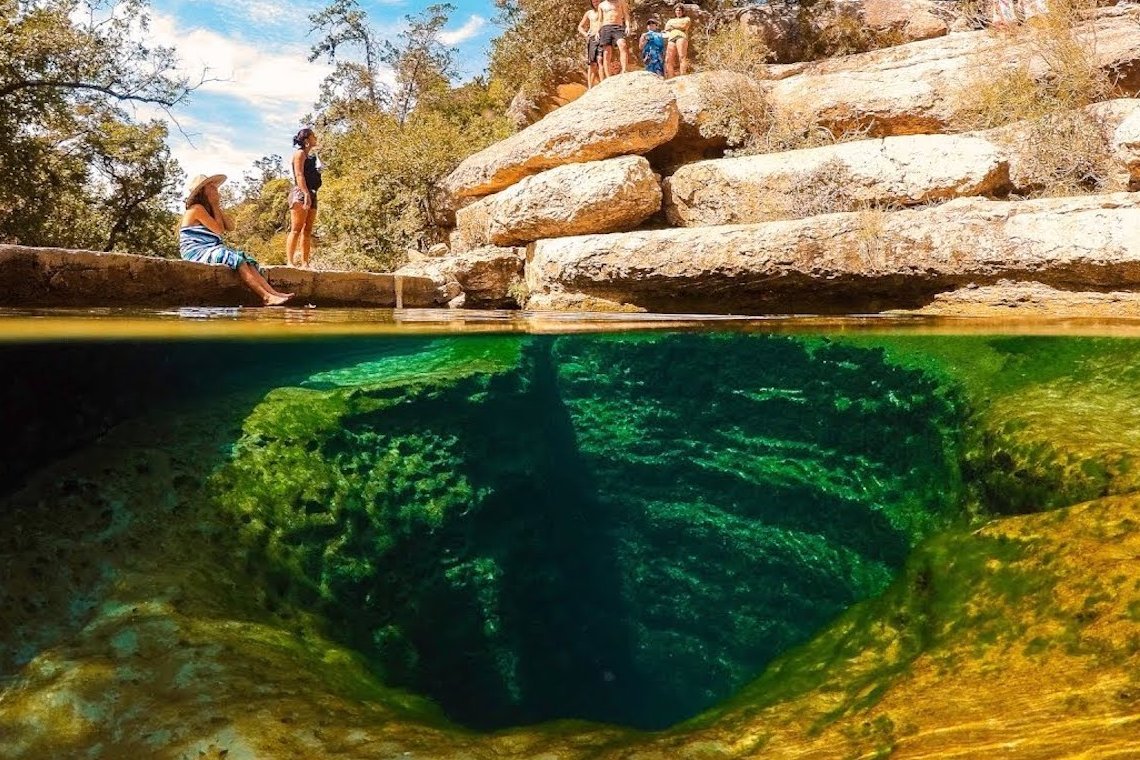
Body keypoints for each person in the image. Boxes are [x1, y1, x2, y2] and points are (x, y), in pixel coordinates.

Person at [179, 174, 293, 306]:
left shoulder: (209, 209)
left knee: (247, 260)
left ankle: (273, 293)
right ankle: (266, 297)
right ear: (202, 192)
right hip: (196, 251)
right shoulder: (196, 209)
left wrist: (217, 207)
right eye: (211, 187)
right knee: (236, 259)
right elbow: (219, 230)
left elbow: (230, 227)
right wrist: (215, 205)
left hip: (210, 249)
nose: (216, 189)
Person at [285, 127, 321, 268]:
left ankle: (305, 263)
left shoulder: (312, 157)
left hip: (312, 192)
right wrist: (305, 193)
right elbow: (299, 175)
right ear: (307, 140)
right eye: (313, 136)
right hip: (300, 193)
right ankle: (290, 262)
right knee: (296, 228)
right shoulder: (299, 154)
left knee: (307, 230)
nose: (315, 138)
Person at [597, 0, 633, 77]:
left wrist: (628, 26)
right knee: (607, 51)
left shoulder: (621, 2)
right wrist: (597, 31)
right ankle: (608, 76)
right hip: (606, 27)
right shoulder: (601, 5)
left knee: (622, 44)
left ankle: (624, 70)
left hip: (618, 26)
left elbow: (626, 15)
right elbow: (600, 20)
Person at [578, 0, 604, 87]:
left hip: (602, 36)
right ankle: (590, 87)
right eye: (594, 2)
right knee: (592, 63)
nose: (596, 3)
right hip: (592, 37)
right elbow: (580, 26)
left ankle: (603, 83)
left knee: (601, 60)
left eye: (597, 1)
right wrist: (586, 34)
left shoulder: (604, 10)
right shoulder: (589, 13)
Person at [664, 4, 692, 79]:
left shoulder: (686, 18)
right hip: (671, 38)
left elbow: (684, 26)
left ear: (682, 11)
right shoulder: (671, 20)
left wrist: (673, 26)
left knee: (682, 56)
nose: (678, 12)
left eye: (679, 10)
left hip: (681, 36)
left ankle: (683, 76)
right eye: (676, 10)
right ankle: (670, 77)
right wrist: (677, 25)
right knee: (668, 58)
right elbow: (666, 28)